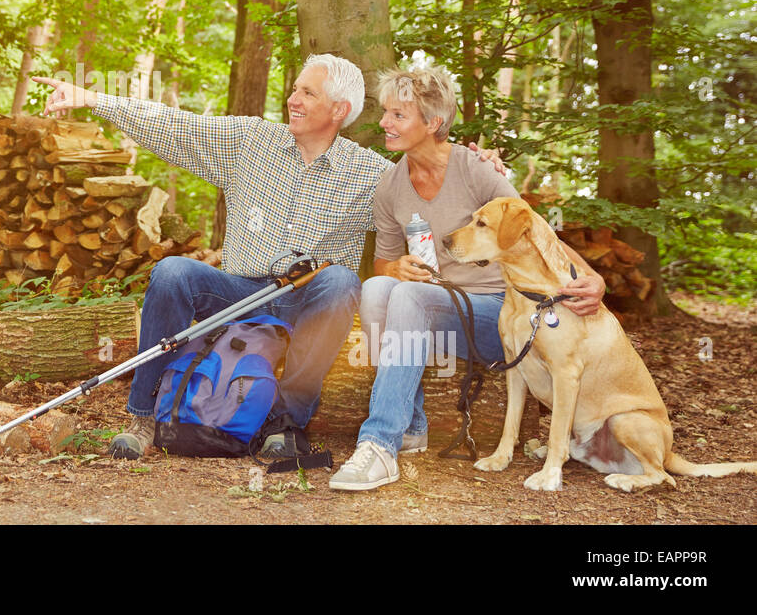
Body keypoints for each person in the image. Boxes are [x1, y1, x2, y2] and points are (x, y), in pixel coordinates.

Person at [33, 54, 504, 460]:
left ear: (339, 110)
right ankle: (142, 419)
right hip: (239, 292)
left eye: (308, 93)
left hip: (308, 300)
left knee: (341, 281)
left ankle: (286, 426)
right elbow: (175, 126)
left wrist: (483, 166)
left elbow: (435, 196)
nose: (293, 100)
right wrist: (94, 98)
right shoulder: (249, 142)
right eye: (295, 89)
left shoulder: (375, 174)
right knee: (173, 270)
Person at [328, 64, 607, 491]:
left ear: (433, 122)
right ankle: (411, 426)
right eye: (386, 112)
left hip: (502, 315)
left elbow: (535, 230)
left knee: (410, 298)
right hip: (436, 314)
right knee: (378, 288)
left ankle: (379, 444)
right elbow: (383, 263)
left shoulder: (475, 169)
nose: (384, 122)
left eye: (398, 115)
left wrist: (591, 277)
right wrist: (395, 267)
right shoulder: (389, 187)